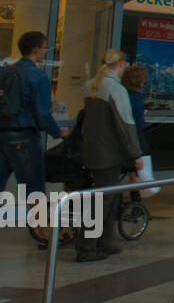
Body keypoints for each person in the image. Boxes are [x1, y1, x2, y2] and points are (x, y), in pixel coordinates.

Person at [0, 32, 70, 248]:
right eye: (44, 47)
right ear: (36, 50)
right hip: (24, 137)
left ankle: (47, 233)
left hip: (2, 133)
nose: (45, 51)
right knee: (34, 188)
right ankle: (49, 236)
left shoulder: (7, 71)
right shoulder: (37, 76)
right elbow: (41, 113)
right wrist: (59, 132)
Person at [77, 49, 143, 262]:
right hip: (109, 154)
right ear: (121, 64)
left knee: (109, 198)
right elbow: (126, 126)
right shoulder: (116, 89)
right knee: (103, 200)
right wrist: (135, 154)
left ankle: (104, 242)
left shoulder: (91, 86)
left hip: (92, 150)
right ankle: (86, 248)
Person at [122, 65, 151, 202]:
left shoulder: (123, 94)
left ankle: (135, 199)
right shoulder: (136, 98)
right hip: (135, 138)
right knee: (137, 169)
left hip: (123, 139)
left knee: (132, 172)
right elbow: (138, 122)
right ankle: (136, 201)